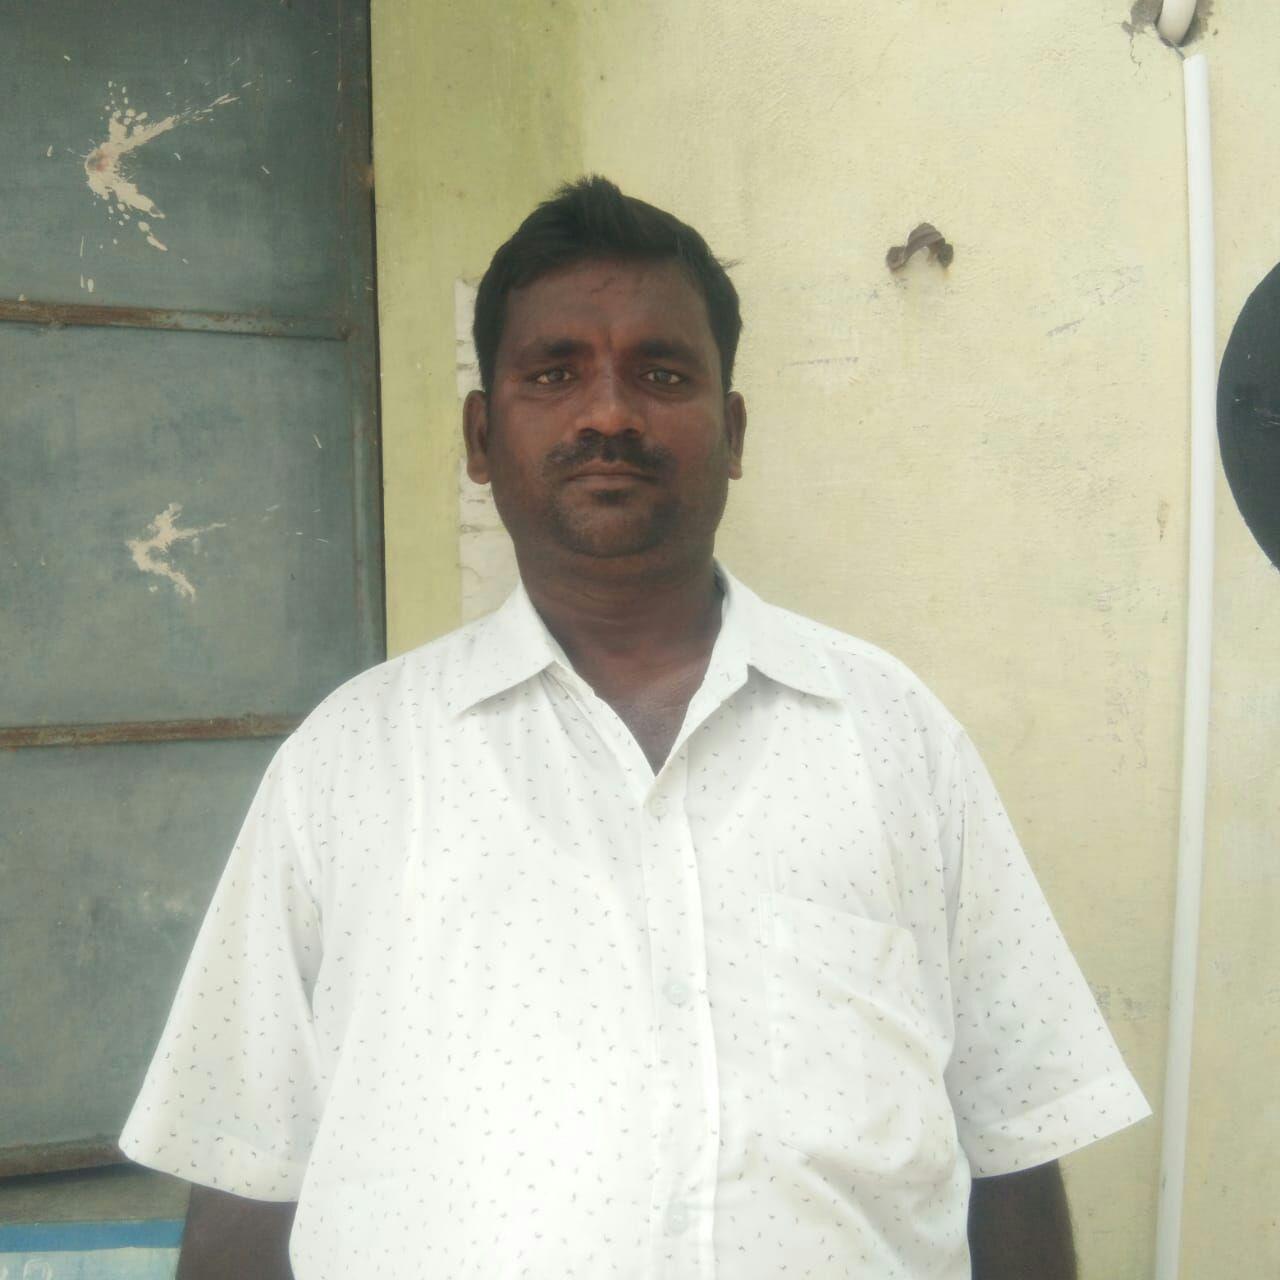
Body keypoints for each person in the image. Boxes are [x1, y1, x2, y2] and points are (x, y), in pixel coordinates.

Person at [122, 176, 1149, 1280]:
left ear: (733, 431)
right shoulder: (345, 766)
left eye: (661, 374)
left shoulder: (893, 734)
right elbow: (245, 1171)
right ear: (480, 435)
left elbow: (1009, 1139)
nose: (607, 414)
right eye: (553, 373)